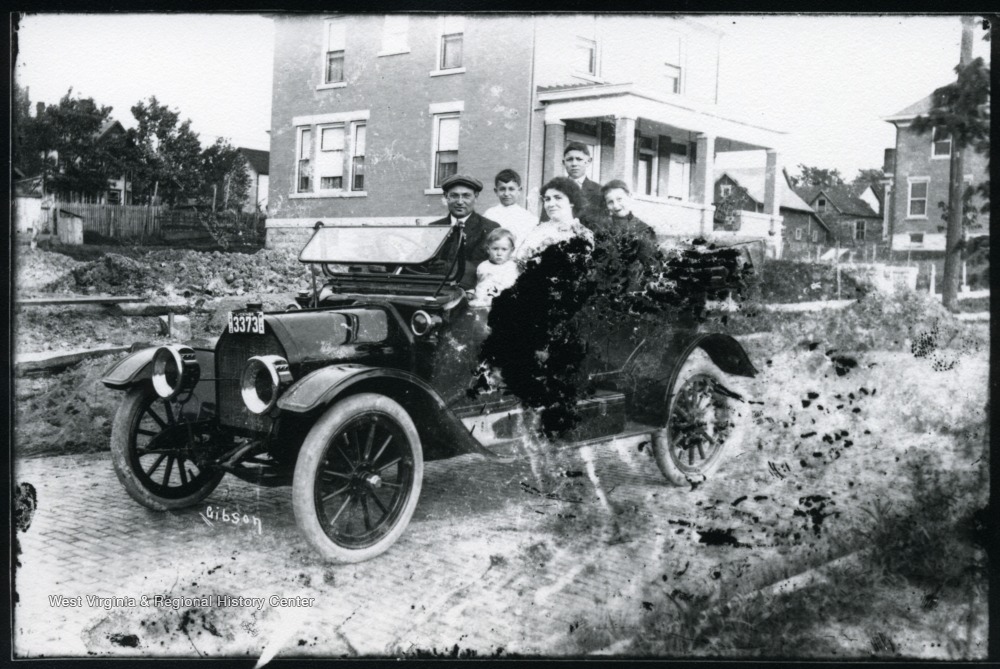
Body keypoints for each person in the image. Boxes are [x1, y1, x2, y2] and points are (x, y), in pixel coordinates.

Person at [428, 174, 499, 291]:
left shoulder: (490, 228)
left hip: (471, 292)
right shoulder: (433, 228)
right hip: (433, 290)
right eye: (454, 196)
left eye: (466, 196)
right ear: (446, 197)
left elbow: (488, 266)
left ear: (476, 197)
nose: (460, 202)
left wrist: (451, 267)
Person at [516, 176, 595, 265]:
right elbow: (520, 258)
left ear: (572, 201)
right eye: (547, 199)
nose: (551, 204)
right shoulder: (538, 229)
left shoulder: (582, 234)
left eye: (558, 198)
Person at [481, 169, 537, 249]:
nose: (506, 194)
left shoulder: (528, 217)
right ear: (496, 191)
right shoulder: (489, 215)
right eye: (502, 189)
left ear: (519, 190)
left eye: (511, 189)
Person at [470, 228, 519, 307]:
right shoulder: (483, 266)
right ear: (488, 249)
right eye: (495, 249)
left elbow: (509, 286)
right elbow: (480, 284)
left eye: (504, 249)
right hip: (482, 302)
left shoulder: (511, 267)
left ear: (511, 250)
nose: (499, 253)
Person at [561, 142, 604, 228]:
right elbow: (544, 225)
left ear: (588, 162)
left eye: (579, 159)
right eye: (569, 159)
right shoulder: (554, 190)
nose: (574, 164)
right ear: (564, 162)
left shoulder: (600, 191)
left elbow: (604, 226)